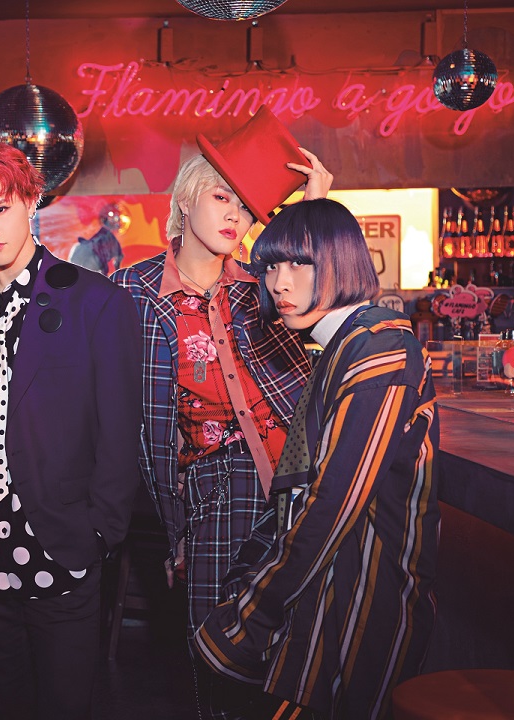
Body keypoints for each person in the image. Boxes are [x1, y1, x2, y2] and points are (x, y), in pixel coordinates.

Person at [110, 106, 333, 716]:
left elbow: (332, 302)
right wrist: (174, 527)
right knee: (219, 660)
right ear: (185, 201)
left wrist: (313, 211)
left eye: (245, 205)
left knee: (297, 659)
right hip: (213, 489)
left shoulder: (266, 285)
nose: (235, 215)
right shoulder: (131, 293)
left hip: (300, 480)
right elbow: (126, 422)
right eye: (220, 197)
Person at [0, 138, 142, 720]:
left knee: (66, 706)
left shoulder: (97, 304)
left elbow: (120, 432)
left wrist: (100, 533)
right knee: (2, 708)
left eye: (1, 208)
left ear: (28, 199)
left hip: (65, 542)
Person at [195, 198, 441, 719]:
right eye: (270, 267)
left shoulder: (378, 348)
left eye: (298, 263)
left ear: (340, 260)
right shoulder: (344, 345)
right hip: (327, 591)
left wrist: (254, 612)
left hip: (363, 599)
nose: (279, 283)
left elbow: (332, 502)